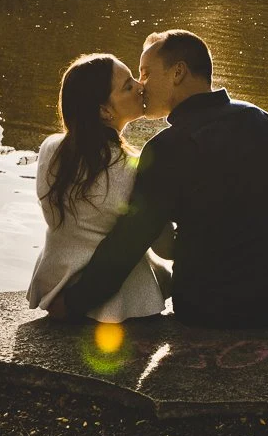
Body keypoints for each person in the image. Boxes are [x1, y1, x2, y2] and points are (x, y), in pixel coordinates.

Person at [48, 30, 268, 328]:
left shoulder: (168, 148)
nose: (141, 85)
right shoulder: (265, 121)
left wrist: (75, 302)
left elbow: (129, 241)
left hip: (213, 308)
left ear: (178, 72)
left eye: (145, 73)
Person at [26, 53, 172, 323]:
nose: (141, 85)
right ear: (105, 111)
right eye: (128, 86)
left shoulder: (51, 149)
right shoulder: (134, 167)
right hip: (121, 299)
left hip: (58, 281)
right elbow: (163, 244)